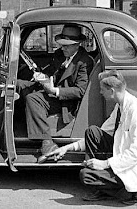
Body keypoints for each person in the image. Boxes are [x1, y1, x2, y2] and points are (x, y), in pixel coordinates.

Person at [45, 70, 137, 206]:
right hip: (123, 161)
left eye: (102, 90)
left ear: (111, 91)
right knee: (92, 132)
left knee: (86, 176)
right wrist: (67, 148)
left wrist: (104, 164)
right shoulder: (120, 106)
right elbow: (102, 132)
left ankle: (136, 192)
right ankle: (110, 188)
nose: (100, 92)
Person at [17, 24, 91, 159]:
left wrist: (55, 90)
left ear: (77, 45)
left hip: (66, 102)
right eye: (62, 44)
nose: (63, 48)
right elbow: (52, 71)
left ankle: (47, 142)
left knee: (33, 98)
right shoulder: (60, 54)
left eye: (67, 45)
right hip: (51, 89)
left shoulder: (84, 61)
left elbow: (80, 91)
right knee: (18, 85)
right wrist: (42, 76)